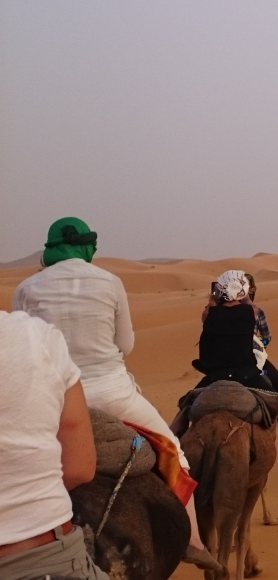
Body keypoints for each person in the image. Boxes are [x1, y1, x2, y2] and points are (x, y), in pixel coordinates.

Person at [12, 217, 218, 571]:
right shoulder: (109, 281)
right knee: (173, 451)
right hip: (113, 394)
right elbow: (126, 344)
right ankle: (195, 541)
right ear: (87, 247)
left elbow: (24, 347)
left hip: (53, 400)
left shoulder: (27, 288)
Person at [0, 310, 109, 580]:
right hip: (109, 382)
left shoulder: (29, 292)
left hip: (83, 383)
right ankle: (195, 540)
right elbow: (79, 469)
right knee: (168, 441)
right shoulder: (37, 334)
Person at [182, 271, 278, 478]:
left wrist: (214, 298)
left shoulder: (208, 314)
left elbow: (210, 312)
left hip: (214, 376)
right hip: (246, 375)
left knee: (185, 408)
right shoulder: (252, 311)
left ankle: (169, 453)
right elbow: (261, 327)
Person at [239, 273, 278, 405]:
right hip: (250, 358)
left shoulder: (220, 311)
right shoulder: (257, 311)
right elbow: (267, 337)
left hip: (222, 362)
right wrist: (262, 343)